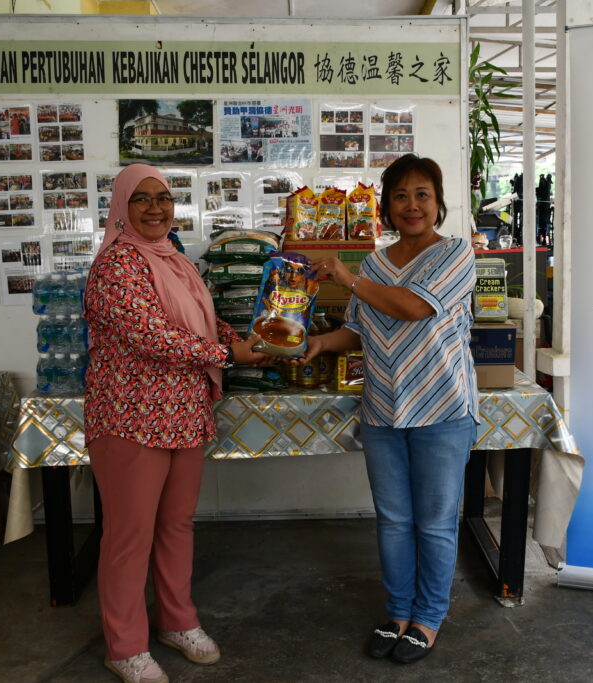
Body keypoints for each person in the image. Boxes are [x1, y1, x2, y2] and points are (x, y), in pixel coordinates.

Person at [83, 164, 268, 683]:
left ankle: (176, 621)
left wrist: (240, 338)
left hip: (184, 413)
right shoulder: (116, 265)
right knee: (129, 534)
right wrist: (228, 357)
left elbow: (199, 321)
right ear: (121, 207)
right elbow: (152, 335)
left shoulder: (177, 261)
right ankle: (124, 646)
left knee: (175, 525)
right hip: (130, 416)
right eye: (140, 199)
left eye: (162, 198)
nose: (154, 209)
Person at [303, 154, 478, 664]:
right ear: (387, 205)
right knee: (395, 520)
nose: (411, 205)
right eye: (400, 195)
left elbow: (415, 307)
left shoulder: (456, 255)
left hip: (442, 409)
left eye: (422, 194)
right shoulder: (376, 263)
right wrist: (318, 345)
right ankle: (398, 612)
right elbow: (357, 330)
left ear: (438, 202)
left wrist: (346, 276)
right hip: (383, 410)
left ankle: (428, 618)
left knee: (437, 521)